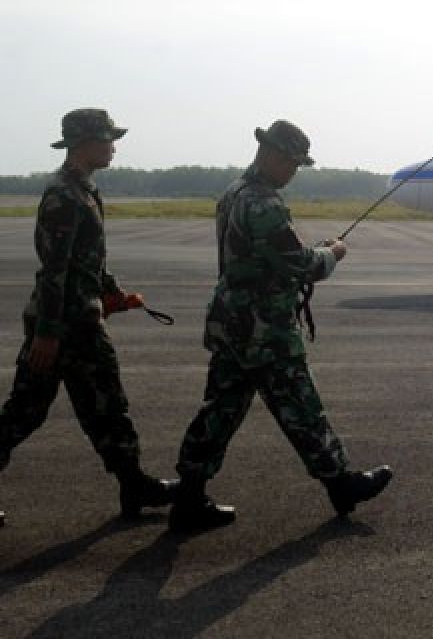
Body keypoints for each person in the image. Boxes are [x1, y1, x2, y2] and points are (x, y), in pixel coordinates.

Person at [170, 120, 392, 532]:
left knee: (220, 410)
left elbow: (268, 254)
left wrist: (314, 251)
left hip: (231, 321)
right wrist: (332, 254)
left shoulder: (233, 192)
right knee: (301, 407)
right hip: (263, 329)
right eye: (292, 162)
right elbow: (299, 263)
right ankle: (341, 484)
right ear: (272, 155)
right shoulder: (264, 203)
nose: (294, 171)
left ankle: (188, 497)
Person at [0, 109, 178, 528]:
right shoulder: (64, 196)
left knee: (105, 406)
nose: (114, 146)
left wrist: (111, 291)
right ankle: (134, 484)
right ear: (85, 143)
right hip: (64, 326)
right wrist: (47, 333)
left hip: (80, 319)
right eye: (108, 138)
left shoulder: (83, 189)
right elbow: (54, 269)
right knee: (27, 413)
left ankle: (134, 484)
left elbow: (87, 261)